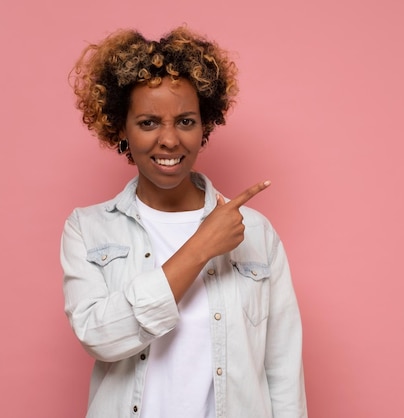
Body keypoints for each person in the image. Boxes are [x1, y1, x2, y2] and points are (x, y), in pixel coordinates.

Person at [61, 26, 308, 418]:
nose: (170, 140)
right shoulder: (88, 229)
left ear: (204, 125)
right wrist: (200, 247)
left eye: (186, 121)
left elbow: (283, 372)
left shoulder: (257, 233)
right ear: (121, 128)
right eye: (148, 122)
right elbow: (100, 337)